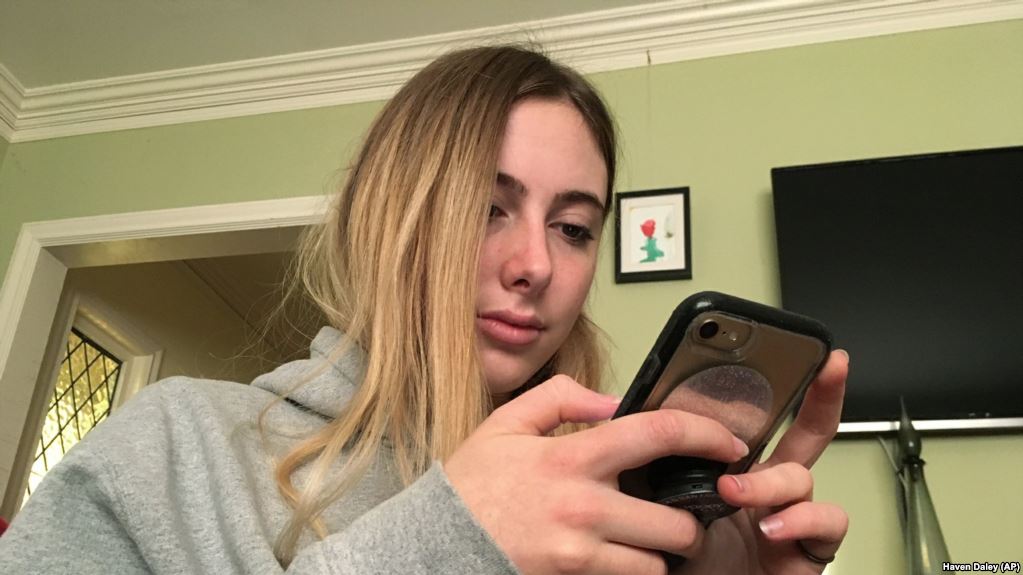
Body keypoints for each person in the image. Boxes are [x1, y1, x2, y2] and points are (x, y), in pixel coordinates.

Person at [0, 45, 849, 574]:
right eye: (487, 207)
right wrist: (450, 544)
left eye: (573, 227)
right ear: (389, 214)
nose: (535, 265)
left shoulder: (617, 510)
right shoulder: (172, 448)